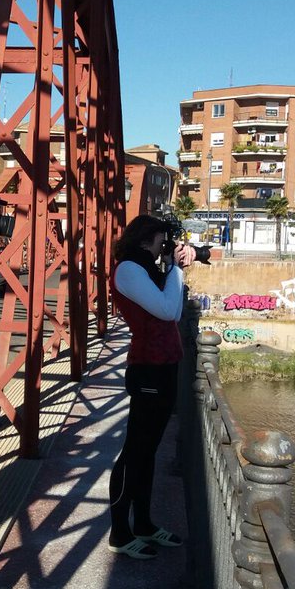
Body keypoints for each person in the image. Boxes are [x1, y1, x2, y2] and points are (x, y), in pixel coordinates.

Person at [107, 214, 193, 559]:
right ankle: (120, 532)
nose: (165, 248)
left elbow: (169, 305)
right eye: (161, 242)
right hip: (147, 371)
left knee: (148, 454)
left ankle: (143, 523)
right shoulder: (129, 269)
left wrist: (172, 267)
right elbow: (169, 311)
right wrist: (176, 268)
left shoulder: (147, 269)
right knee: (134, 453)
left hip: (163, 369)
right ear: (145, 240)